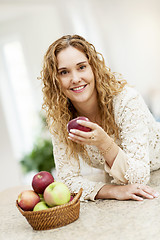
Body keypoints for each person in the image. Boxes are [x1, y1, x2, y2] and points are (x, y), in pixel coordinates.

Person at [40, 34, 160, 201]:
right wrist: (111, 191)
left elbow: (139, 176)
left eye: (81, 67)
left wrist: (104, 142)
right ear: (55, 81)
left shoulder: (126, 100)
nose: (75, 79)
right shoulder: (60, 118)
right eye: (64, 72)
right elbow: (67, 180)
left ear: (94, 68)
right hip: (122, 185)